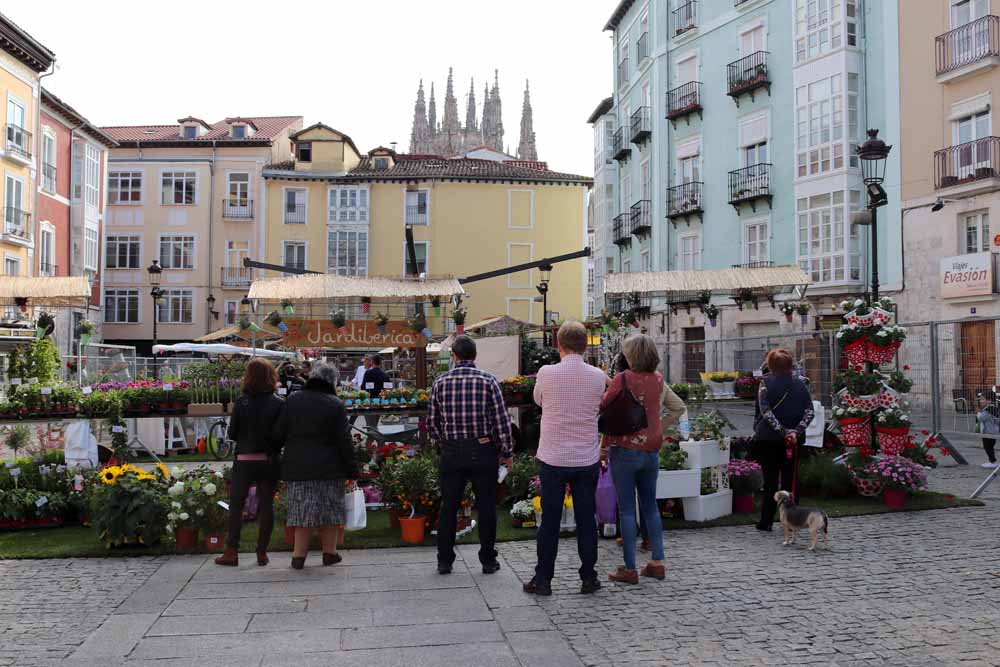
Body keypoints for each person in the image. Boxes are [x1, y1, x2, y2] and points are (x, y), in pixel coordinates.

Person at [524, 321, 608, 597]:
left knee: (550, 520)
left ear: (559, 345)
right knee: (586, 518)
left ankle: (544, 579)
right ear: (585, 345)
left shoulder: (547, 373)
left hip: (553, 456)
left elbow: (538, 400)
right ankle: (588, 577)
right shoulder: (598, 376)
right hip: (585, 457)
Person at [601, 334, 685, 584]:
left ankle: (629, 568)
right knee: (650, 506)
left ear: (632, 355)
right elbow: (675, 407)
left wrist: (603, 448)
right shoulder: (658, 380)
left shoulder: (622, 378)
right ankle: (657, 562)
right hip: (651, 450)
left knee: (627, 509)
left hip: (625, 449)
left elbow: (605, 408)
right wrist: (659, 427)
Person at [429, 335, 513, 575]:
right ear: (475, 356)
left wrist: (444, 440)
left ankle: (444, 560)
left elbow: (432, 423)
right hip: (482, 449)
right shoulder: (488, 381)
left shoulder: (441, 382)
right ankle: (487, 559)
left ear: (454, 356)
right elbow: (502, 422)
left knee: (449, 506)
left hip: (452, 451)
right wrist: (506, 452)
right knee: (486, 506)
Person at [272, 362, 358, 569]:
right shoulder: (335, 404)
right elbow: (343, 440)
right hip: (329, 467)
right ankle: (330, 553)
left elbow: (278, 434)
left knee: (301, 512)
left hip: (297, 465)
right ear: (332, 381)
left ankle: (298, 556)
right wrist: (352, 469)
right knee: (329, 511)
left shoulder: (292, 400)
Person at [214, 359, 286, 567]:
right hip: (269, 460)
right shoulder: (279, 403)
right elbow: (281, 435)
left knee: (236, 506)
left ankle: (231, 551)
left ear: (248, 377)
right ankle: (262, 551)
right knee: (266, 506)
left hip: (244, 460)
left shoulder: (241, 402)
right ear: (271, 376)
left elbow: (233, 434)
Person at [753, 348, 814, 532]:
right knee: (790, 480)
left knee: (770, 481)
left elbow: (766, 412)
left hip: (768, 439)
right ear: (790, 365)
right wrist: (795, 432)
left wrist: (782, 431)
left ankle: (766, 521)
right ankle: (793, 520)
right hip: (793, 441)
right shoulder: (801, 384)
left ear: (770, 365)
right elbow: (809, 412)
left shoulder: (764, 385)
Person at [976, 393, 999, 469]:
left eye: (982, 399)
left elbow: (981, 418)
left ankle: (992, 462)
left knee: (987, 447)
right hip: (993, 431)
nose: (980, 401)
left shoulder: (988, 410)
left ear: (989, 401)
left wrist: (978, 413)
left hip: (988, 432)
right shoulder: (993, 408)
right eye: (980, 399)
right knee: (990, 447)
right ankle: (992, 461)